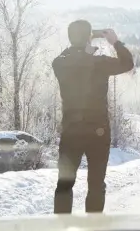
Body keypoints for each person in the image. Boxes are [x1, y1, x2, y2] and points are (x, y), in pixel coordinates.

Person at [52, 19, 134, 214]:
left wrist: (81, 47)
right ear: (89, 39)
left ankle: (61, 227)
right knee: (96, 185)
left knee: (64, 185)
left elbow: (67, 56)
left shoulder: (59, 64)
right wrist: (115, 42)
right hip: (98, 132)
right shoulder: (99, 63)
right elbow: (128, 63)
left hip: (71, 132)